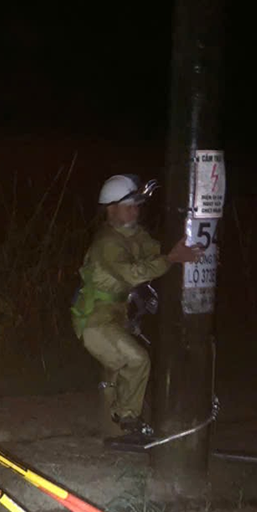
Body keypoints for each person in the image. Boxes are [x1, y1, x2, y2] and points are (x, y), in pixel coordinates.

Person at [71, 174, 200, 442]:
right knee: (137, 360)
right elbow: (133, 273)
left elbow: (155, 250)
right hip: (95, 320)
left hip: (116, 315)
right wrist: (171, 259)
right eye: (130, 206)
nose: (136, 211)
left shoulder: (134, 234)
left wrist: (190, 251)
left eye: (137, 205)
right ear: (112, 208)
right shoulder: (107, 243)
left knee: (117, 372)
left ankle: (114, 432)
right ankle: (127, 419)